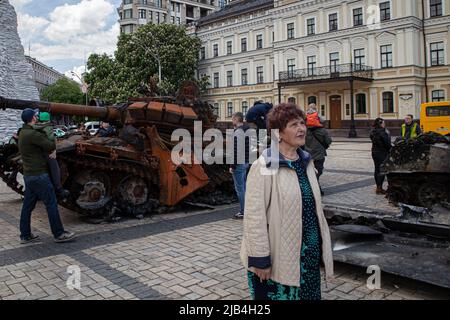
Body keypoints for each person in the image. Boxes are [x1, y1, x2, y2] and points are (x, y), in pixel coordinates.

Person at [241, 103, 334, 300]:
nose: (301, 128)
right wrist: (260, 259)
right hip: (278, 260)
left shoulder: (306, 162)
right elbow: (253, 217)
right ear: (279, 133)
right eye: (293, 125)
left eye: (302, 123)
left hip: (308, 256)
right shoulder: (264, 166)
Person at [18, 108, 75, 244]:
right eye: (35, 115)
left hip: (29, 176)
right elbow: (50, 144)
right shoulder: (32, 134)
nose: (37, 117)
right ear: (33, 118)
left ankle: (25, 235)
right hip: (39, 176)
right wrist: (48, 128)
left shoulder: (23, 133)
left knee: (27, 206)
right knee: (51, 203)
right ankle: (59, 234)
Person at [33, 112, 70, 199]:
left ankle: (38, 190)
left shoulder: (35, 127)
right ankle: (58, 188)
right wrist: (54, 150)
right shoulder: (48, 127)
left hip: (37, 152)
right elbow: (50, 139)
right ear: (48, 119)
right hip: (46, 151)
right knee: (54, 167)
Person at [305, 104, 332, 196]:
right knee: (318, 171)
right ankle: (316, 189)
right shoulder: (322, 130)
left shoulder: (303, 130)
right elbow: (329, 141)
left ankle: (315, 189)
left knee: (309, 171)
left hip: (307, 154)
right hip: (319, 154)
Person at [229, 112, 250, 220]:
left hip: (239, 163)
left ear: (237, 119)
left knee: (240, 189)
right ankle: (247, 209)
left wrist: (232, 165)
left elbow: (236, 150)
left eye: (233, 119)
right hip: (246, 161)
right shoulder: (247, 130)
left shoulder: (238, 132)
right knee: (244, 187)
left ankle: (243, 211)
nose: (232, 121)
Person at [370, 118, 391, 195]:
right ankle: (379, 189)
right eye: (383, 123)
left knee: (377, 169)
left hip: (374, 152)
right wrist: (391, 149)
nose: (384, 124)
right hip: (382, 153)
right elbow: (387, 143)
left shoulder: (373, 131)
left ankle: (378, 186)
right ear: (380, 124)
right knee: (382, 170)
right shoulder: (383, 132)